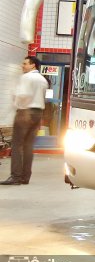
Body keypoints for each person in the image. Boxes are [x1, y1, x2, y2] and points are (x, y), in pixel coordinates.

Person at [1, 56, 48, 185]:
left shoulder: (26, 77)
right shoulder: (43, 80)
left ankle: (15, 176)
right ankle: (25, 177)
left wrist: (22, 109)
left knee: (16, 145)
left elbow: (23, 95)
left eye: (25, 63)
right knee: (28, 146)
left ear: (33, 65)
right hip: (38, 113)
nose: (22, 66)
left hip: (25, 112)